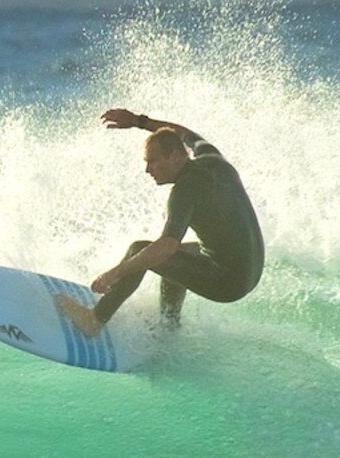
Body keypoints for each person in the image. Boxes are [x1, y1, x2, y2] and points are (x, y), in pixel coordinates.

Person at [86, 108, 263, 330]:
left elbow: (166, 247)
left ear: (178, 157)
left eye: (153, 162)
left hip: (228, 283)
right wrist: (138, 121)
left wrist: (113, 274)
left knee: (140, 250)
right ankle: (169, 324)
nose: (147, 170)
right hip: (252, 270)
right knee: (178, 258)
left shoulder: (184, 190)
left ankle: (95, 320)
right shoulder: (213, 159)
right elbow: (185, 133)